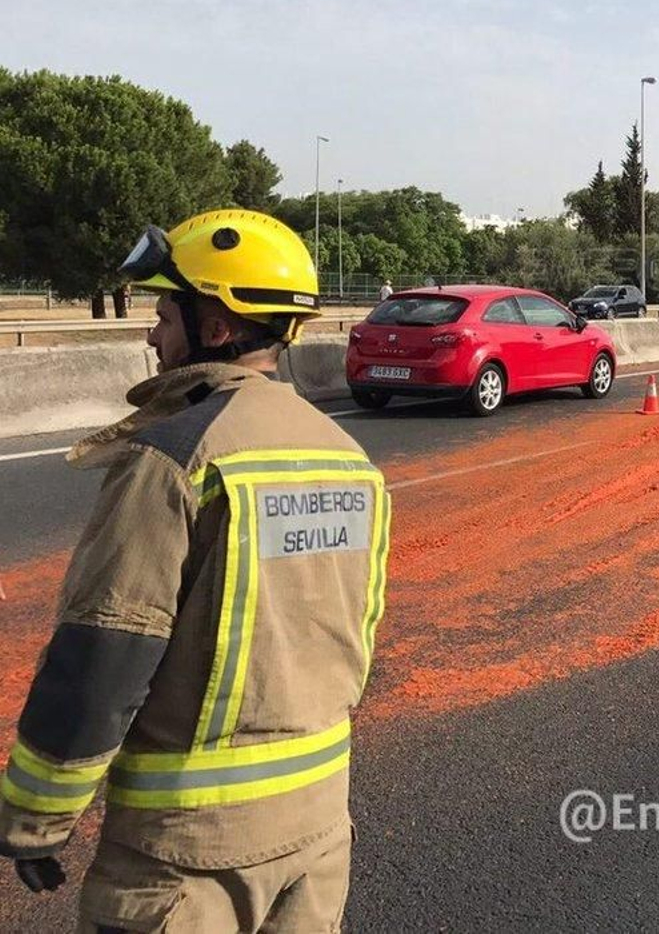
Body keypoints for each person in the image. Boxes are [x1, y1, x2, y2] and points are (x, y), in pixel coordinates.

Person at [0, 209, 391, 932]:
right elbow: (354, 635)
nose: (151, 334)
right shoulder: (347, 458)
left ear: (215, 328)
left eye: (163, 315)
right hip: (319, 829)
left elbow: (105, 657)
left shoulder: (172, 457)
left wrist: (34, 819)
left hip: (188, 853)